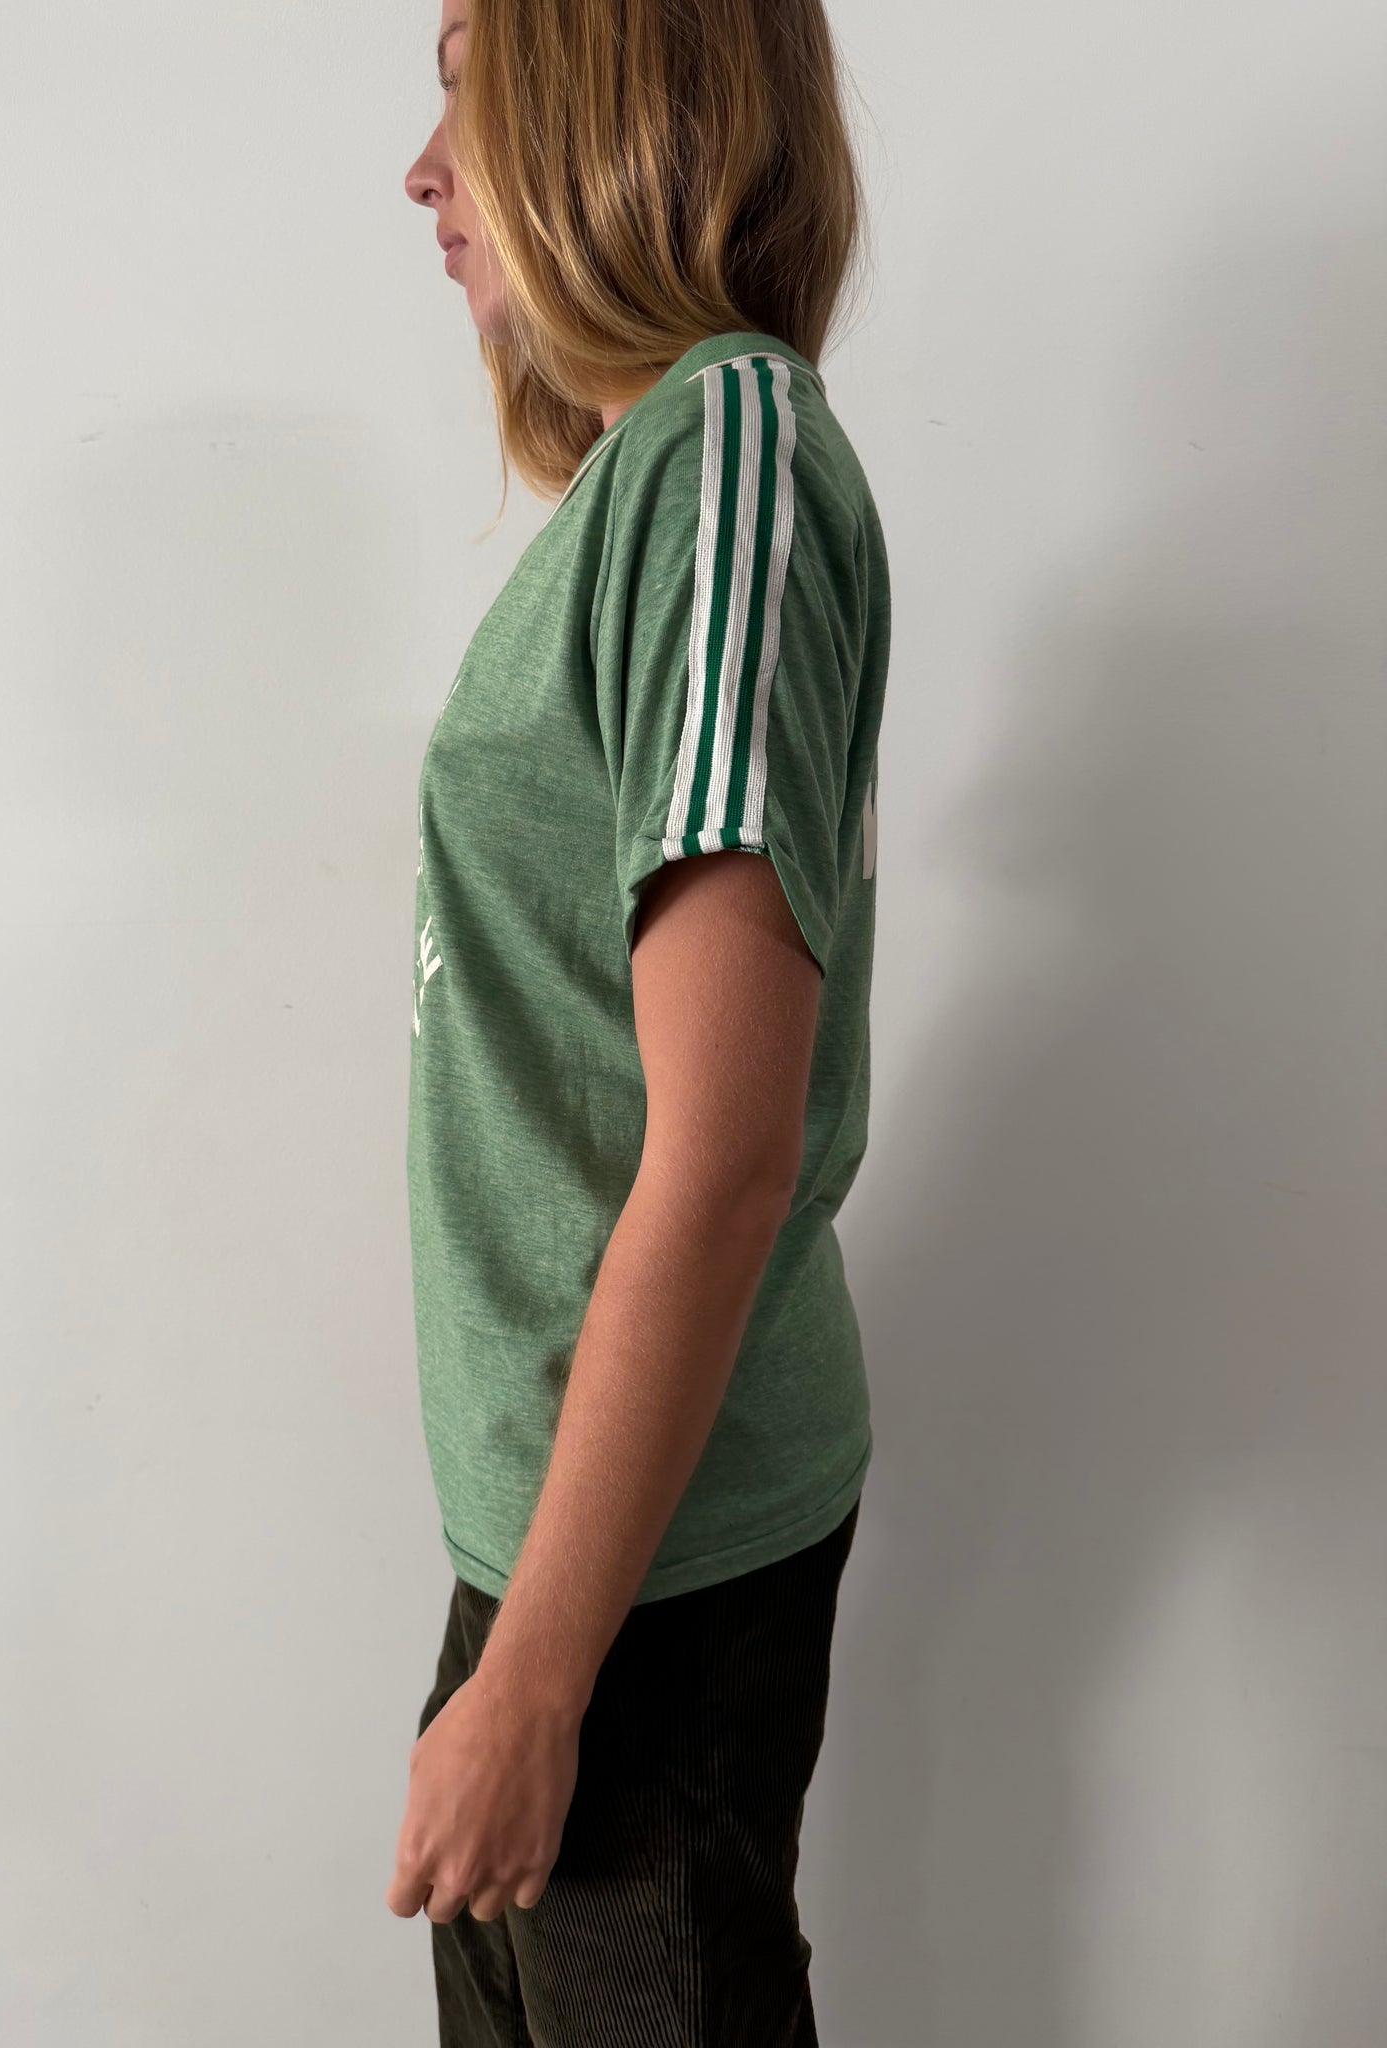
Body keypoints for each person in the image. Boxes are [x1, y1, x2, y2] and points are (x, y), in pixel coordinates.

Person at [392, 1, 891, 2040]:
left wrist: (536, 1685)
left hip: (639, 1584)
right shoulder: (649, 480)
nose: (423, 168)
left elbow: (726, 1146)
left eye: (470, 82)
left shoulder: (728, 457)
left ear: (615, 97)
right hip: (566, 1535)